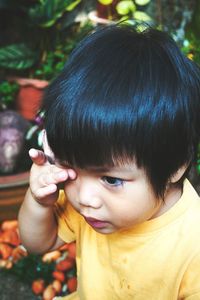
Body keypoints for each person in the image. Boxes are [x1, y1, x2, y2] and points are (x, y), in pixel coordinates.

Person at [18, 24, 200, 300]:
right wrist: (39, 201)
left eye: (111, 179)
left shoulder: (192, 244)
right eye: (71, 169)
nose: (85, 198)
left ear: (175, 164)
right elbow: (37, 243)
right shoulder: (92, 207)